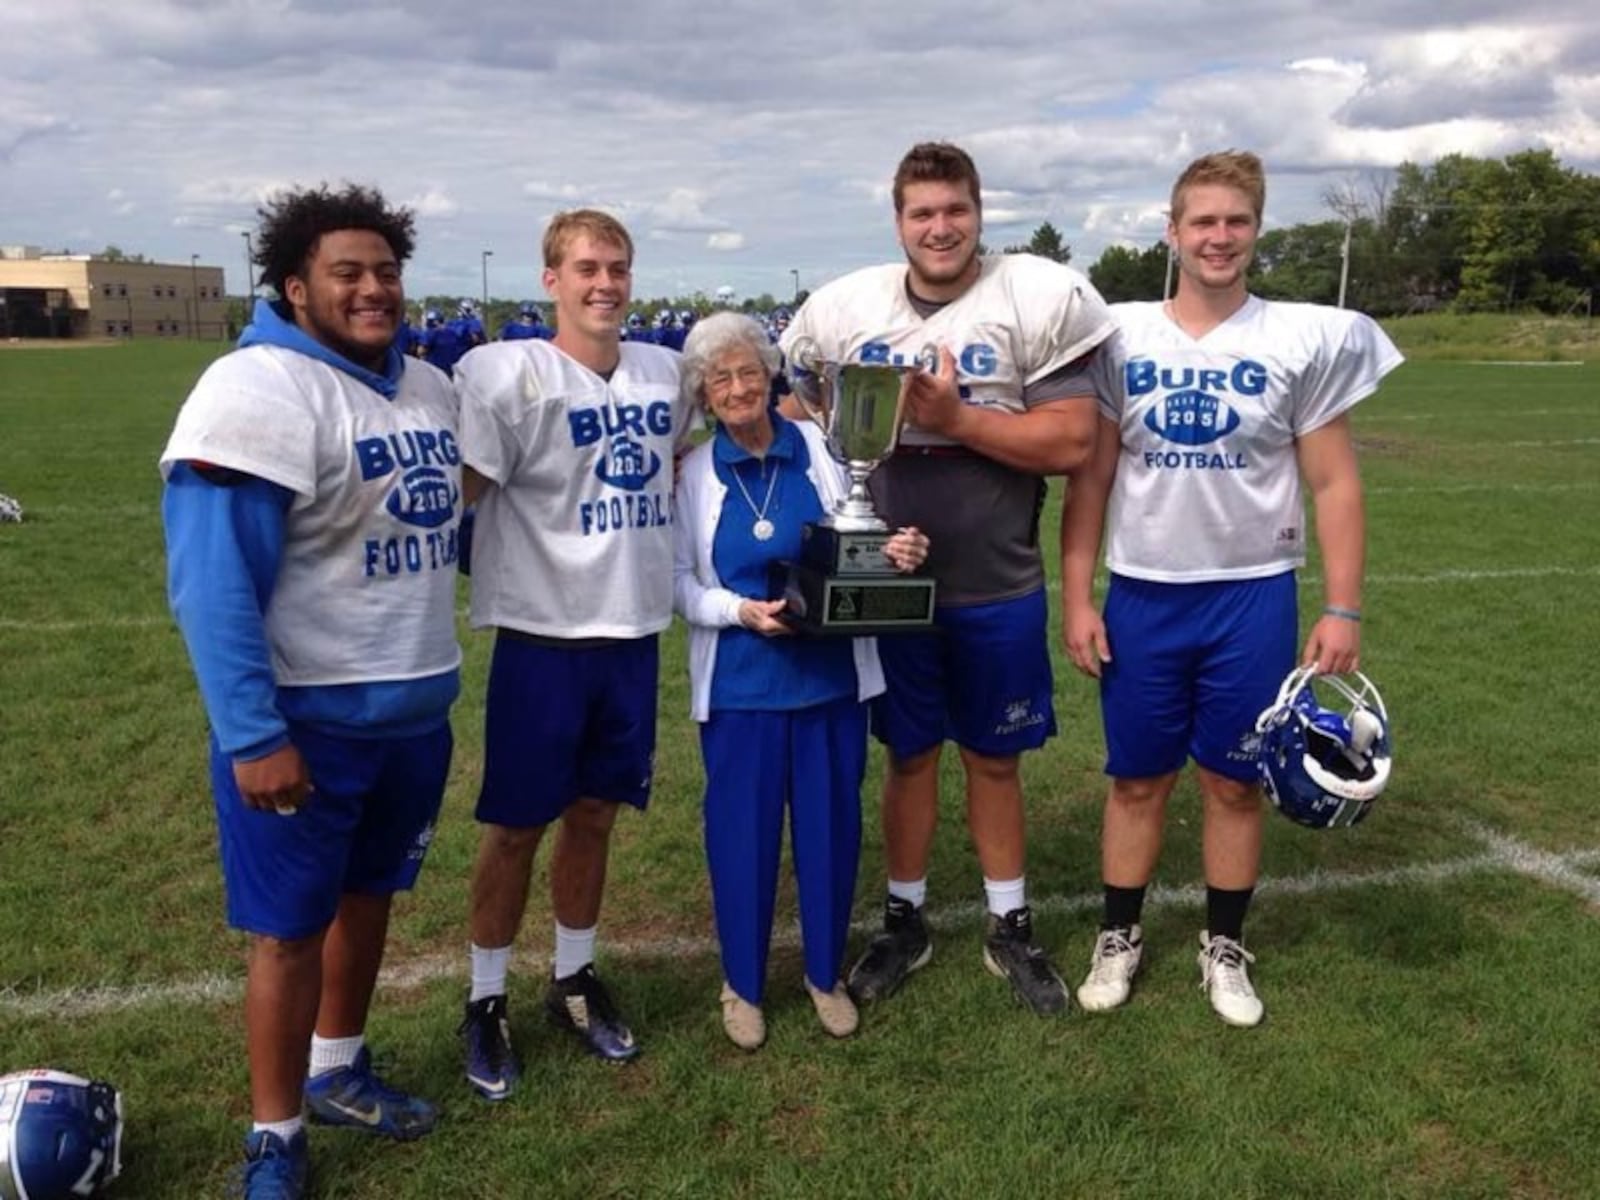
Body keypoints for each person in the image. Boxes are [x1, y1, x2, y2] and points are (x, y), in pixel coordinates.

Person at [160, 184, 462, 1198]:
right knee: (289, 930)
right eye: (347, 272)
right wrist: (252, 734)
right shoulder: (256, 390)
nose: (373, 288)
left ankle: (339, 1069)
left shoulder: (423, 384)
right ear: (294, 286)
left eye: (385, 271)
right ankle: (276, 1134)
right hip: (309, 722)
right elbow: (211, 582)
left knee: (370, 899)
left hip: (413, 715)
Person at [1059, 150, 1403, 1027]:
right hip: (1145, 592)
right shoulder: (1121, 337)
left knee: (1234, 783)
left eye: (1236, 221)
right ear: (1171, 231)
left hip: (1252, 594)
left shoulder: (1297, 336)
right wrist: (1078, 596)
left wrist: (1342, 605)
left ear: (1256, 231)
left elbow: (1335, 484)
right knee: (1136, 780)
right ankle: (1120, 935)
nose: (1219, 237)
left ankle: (1223, 946)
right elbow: (1090, 482)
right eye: (1202, 221)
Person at [780, 142, 1115, 1015]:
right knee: (911, 755)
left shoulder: (1031, 297)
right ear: (898, 222)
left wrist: (955, 417)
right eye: (922, 213)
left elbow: (1075, 442)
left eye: (955, 210)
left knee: (994, 759)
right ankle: (906, 917)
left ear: (979, 213)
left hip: (996, 580)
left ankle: (1009, 923)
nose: (940, 227)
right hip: (887, 586)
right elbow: (797, 408)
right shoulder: (849, 308)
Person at [453, 209, 691, 1099]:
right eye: (587, 267)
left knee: (595, 816)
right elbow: (462, 491)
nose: (606, 283)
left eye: (618, 267)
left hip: (630, 633)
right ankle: (484, 998)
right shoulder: (508, 373)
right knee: (515, 826)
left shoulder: (668, 373)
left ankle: (575, 978)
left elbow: (701, 450)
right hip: (543, 636)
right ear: (550, 278)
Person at [673, 313, 929, 1050]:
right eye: (720, 379)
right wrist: (737, 611)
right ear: (704, 393)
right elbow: (677, 584)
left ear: (770, 375)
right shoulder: (692, 475)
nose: (737, 387)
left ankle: (823, 975)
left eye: (749, 371)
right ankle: (743, 985)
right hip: (739, 689)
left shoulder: (822, 447)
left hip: (829, 684)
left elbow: (855, 536)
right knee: (740, 838)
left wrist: (896, 550)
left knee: (830, 833)